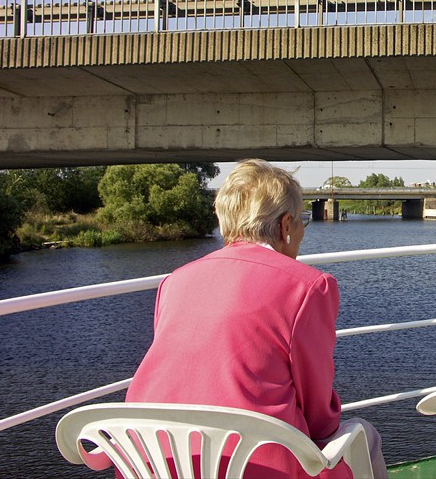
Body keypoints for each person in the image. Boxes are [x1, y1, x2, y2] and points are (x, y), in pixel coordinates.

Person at [126, 159, 387, 479]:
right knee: (364, 435)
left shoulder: (175, 281)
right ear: (285, 226)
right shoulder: (306, 286)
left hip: (155, 464)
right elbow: (320, 417)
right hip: (260, 467)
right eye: (303, 220)